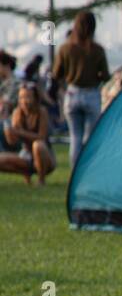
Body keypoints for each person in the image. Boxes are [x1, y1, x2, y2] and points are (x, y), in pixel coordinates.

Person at [51, 11, 109, 168]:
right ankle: (88, 170)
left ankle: (75, 172)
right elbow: (105, 76)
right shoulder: (97, 50)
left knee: (75, 137)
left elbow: (56, 74)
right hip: (91, 94)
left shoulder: (65, 49)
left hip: (72, 94)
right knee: (90, 138)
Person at [0, 83, 55, 185]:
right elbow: (12, 142)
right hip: (26, 155)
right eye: (21, 97)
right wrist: (7, 129)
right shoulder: (17, 113)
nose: (24, 101)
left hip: (45, 156)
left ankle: (41, 180)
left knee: (37, 145)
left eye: (28, 97)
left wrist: (20, 132)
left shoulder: (42, 112)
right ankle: (26, 175)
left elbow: (41, 137)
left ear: (35, 98)